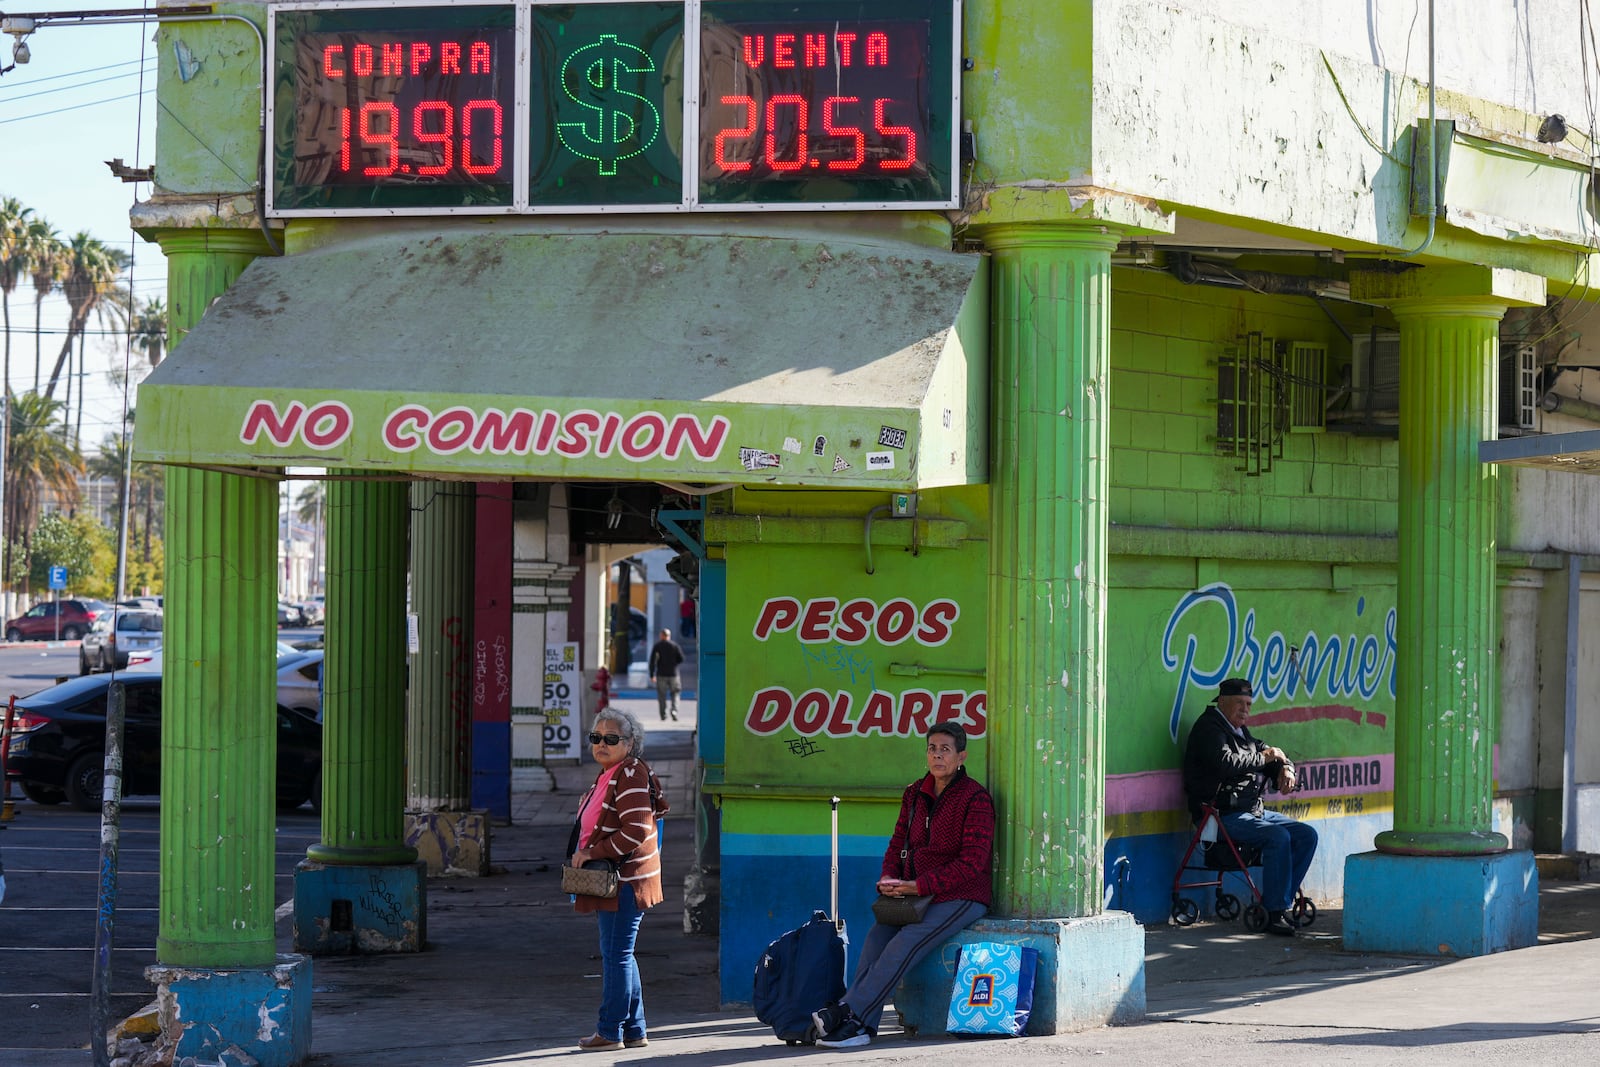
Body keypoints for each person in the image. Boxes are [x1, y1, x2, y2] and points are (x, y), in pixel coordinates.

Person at [810, 721, 994, 1050]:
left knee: (903, 944)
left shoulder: (975, 799)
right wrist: (889, 879)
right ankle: (862, 1025)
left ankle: (848, 1014)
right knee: (875, 941)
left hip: (961, 895)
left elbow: (973, 862)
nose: (937, 756)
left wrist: (919, 885)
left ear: (961, 756)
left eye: (945, 750)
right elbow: (897, 844)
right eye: (932, 748)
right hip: (914, 894)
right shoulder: (914, 793)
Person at [1182, 677, 1318, 937]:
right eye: (1240, 703)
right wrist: (1264, 757)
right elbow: (1226, 762)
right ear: (1222, 702)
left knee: (1306, 835)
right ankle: (1274, 912)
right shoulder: (1209, 728)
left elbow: (1268, 752)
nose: (1246, 709)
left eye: (1249, 704)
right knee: (1278, 836)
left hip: (1251, 812)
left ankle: (1278, 902)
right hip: (1219, 816)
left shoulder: (1240, 732)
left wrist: (1285, 768)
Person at [569, 708, 669, 1051]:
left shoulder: (628, 774)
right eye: (596, 738)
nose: (602, 744)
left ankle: (610, 1031)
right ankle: (635, 1030)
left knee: (616, 956)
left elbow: (639, 828)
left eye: (612, 739)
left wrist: (594, 852)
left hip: (624, 881)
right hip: (619, 880)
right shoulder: (612, 772)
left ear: (630, 742)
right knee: (621, 953)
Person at [647, 628, 684, 721]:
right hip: (673, 674)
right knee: (675, 693)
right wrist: (674, 663)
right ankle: (674, 711)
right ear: (669, 636)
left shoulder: (657, 646)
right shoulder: (675, 646)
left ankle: (663, 714)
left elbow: (652, 661)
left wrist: (652, 675)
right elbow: (681, 658)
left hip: (661, 674)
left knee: (662, 695)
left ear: (661, 635)